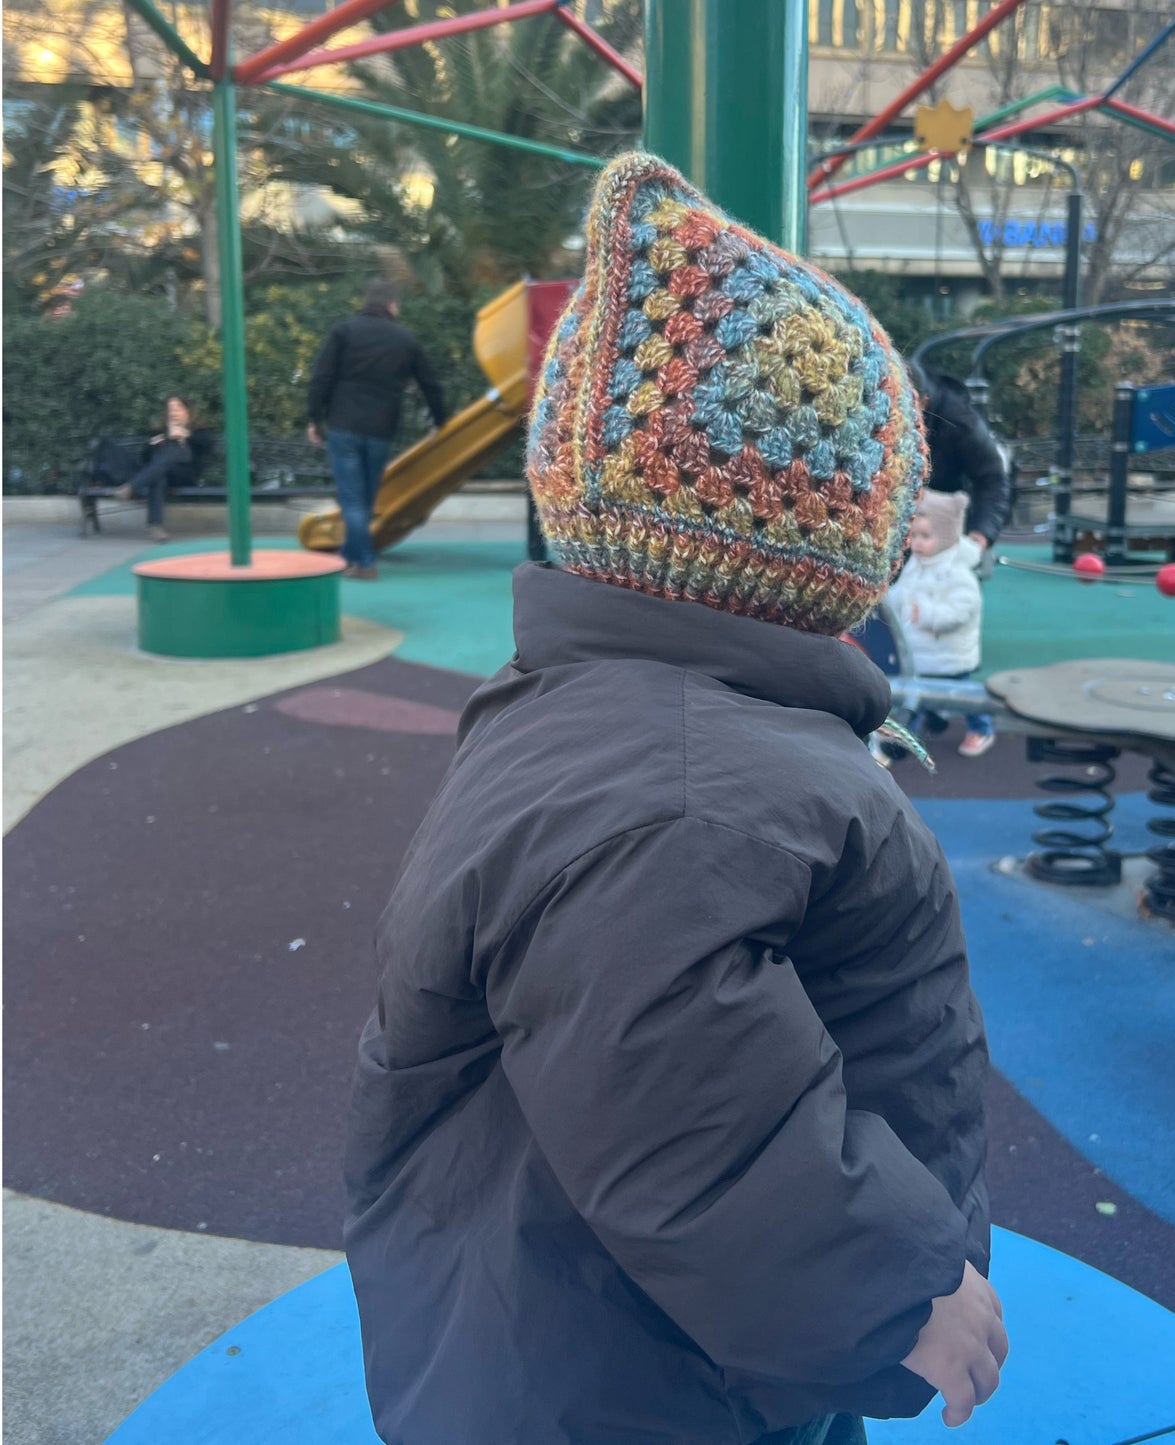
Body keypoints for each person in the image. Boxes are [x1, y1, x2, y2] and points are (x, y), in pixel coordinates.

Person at [343, 152, 1006, 1445]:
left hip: (649, 1332)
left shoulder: (648, 718)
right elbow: (681, 1088)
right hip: (634, 1376)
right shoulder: (683, 782)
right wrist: (884, 1290)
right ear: (834, 528)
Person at [306, 278, 447, 579]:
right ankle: (351, 555)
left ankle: (365, 562)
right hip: (381, 428)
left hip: (343, 424)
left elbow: (321, 376)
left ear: (365, 302)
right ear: (392, 305)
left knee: (351, 497)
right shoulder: (404, 339)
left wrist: (313, 417)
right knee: (366, 498)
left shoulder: (343, 331)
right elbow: (430, 383)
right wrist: (439, 420)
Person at [886, 488, 994, 760]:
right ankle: (910, 734)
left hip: (949, 654)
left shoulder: (957, 572)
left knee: (965, 697)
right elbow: (903, 593)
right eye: (915, 536)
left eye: (926, 536)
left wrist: (928, 614)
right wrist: (886, 603)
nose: (918, 543)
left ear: (945, 537)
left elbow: (963, 609)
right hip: (922, 651)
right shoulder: (918, 564)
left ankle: (982, 729)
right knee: (918, 693)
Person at [907, 362, 1012, 554]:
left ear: (923, 402)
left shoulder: (960, 421)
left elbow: (992, 478)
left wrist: (981, 532)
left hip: (949, 512)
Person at [111, 395, 214, 541]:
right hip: (163, 475)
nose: (174, 413)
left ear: (187, 411)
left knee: (172, 451)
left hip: (186, 474)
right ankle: (155, 527)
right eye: (171, 409)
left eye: (178, 409)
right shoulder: (161, 431)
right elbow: (145, 459)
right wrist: (151, 445)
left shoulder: (198, 430)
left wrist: (185, 435)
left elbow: (207, 444)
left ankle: (132, 487)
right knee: (159, 477)